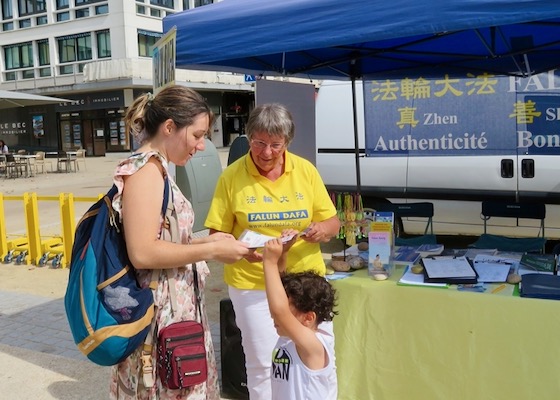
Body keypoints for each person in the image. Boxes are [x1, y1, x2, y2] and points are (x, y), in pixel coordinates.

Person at [109, 85, 251, 400]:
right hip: (160, 319)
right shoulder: (146, 172)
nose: (202, 146)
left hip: (172, 314)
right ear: (170, 127)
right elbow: (143, 251)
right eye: (197, 135)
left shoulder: (156, 169)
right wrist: (211, 249)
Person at [205, 103, 341, 400]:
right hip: (252, 283)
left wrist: (322, 230)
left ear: (287, 143)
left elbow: (333, 221)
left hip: (305, 284)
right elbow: (217, 235)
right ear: (248, 136)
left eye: (275, 145)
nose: (266, 152)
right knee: (264, 364)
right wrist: (243, 251)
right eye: (259, 143)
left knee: (315, 360)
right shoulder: (231, 177)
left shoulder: (304, 170)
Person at [263, 233, 338, 400]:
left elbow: (279, 311)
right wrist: (283, 253)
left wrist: (268, 262)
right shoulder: (289, 337)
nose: (275, 318)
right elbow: (280, 296)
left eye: (288, 314)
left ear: (308, 318)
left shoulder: (314, 346)